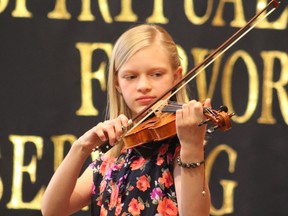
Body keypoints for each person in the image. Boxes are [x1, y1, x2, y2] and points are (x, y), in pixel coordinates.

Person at [41, 24, 211, 216]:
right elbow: (52, 211)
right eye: (131, 76)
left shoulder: (179, 151)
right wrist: (81, 147)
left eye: (156, 74)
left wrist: (192, 147)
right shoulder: (111, 159)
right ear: (117, 83)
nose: (144, 86)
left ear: (176, 77)